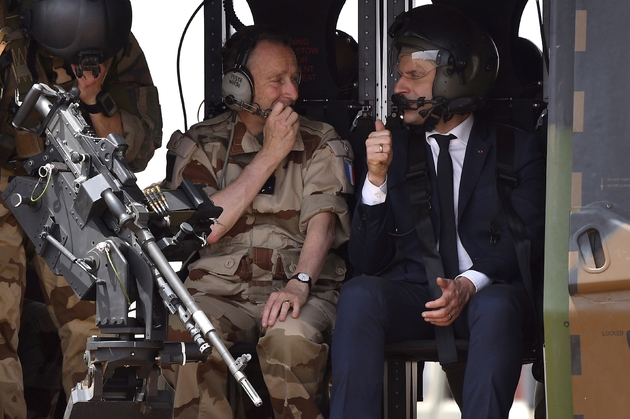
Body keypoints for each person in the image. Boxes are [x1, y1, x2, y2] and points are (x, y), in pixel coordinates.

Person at [329, 4, 546, 419]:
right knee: (359, 295)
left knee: (498, 304)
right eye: (399, 75)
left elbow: (528, 237)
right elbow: (366, 261)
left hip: (486, 300)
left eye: (414, 76)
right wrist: (375, 180)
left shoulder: (517, 149)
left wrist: (468, 284)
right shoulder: (390, 148)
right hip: (417, 297)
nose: (398, 88)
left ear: (455, 77)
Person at [162, 25, 353, 419]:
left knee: (290, 340)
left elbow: (324, 222)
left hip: (301, 289)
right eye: (277, 81)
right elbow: (206, 227)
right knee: (190, 333)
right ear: (239, 87)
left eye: (295, 79)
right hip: (219, 292)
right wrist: (269, 155)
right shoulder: (203, 143)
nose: (293, 94)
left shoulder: (321, 140)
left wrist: (300, 284)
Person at [0, 0, 163, 418]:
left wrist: (92, 102)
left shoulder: (109, 39)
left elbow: (138, 145)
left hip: (73, 183)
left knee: (96, 323)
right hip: (6, 180)